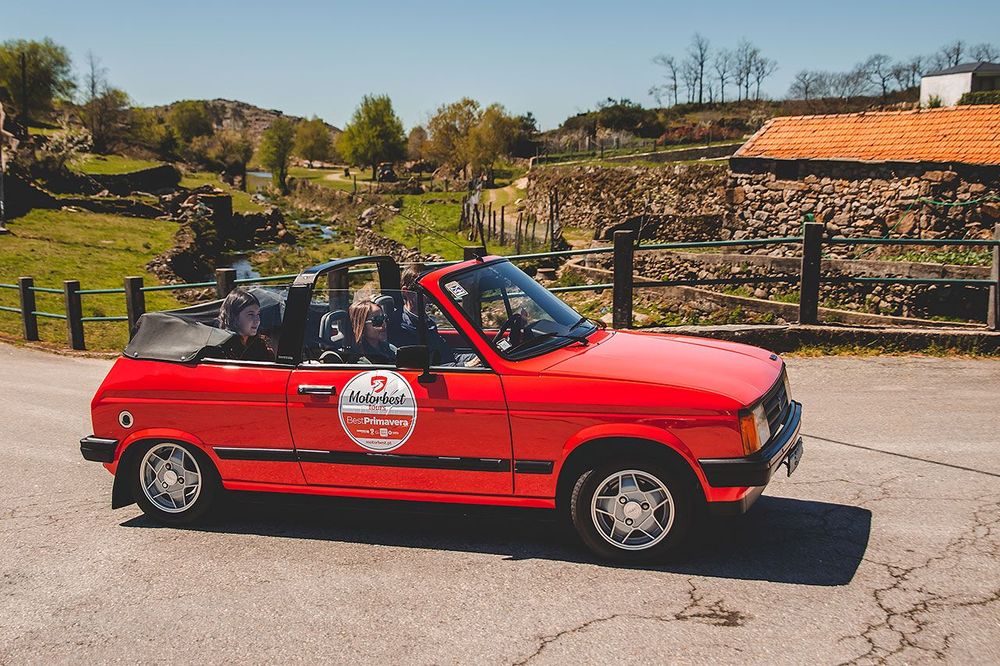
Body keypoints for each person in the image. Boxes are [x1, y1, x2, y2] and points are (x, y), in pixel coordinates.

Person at [399, 264, 480, 367]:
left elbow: (448, 357)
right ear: (406, 292)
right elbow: (425, 368)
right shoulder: (403, 329)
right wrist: (466, 365)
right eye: (424, 291)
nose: (430, 297)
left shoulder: (428, 322)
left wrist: (480, 358)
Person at [217, 288, 274, 362]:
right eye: (250, 314)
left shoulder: (260, 346)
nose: (257, 320)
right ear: (234, 317)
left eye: (258, 314)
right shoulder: (221, 348)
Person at [349, 298, 396, 365]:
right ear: (361, 325)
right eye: (377, 320)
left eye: (384, 318)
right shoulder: (360, 361)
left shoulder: (390, 349)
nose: (384, 325)